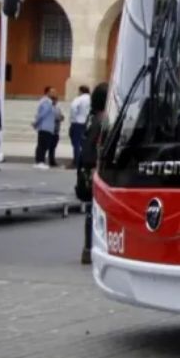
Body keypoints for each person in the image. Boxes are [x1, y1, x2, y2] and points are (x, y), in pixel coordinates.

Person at [78, 83, 108, 265]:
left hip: (87, 168)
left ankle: (88, 248)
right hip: (98, 168)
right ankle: (96, 248)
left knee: (90, 211)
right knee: (98, 211)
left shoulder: (92, 118)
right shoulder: (103, 120)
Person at [32, 86, 57, 169]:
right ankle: (40, 161)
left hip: (48, 127)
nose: (54, 93)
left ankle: (39, 161)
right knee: (43, 145)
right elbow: (43, 114)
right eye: (52, 92)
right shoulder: (47, 102)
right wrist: (36, 122)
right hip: (45, 126)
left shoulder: (50, 102)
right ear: (47, 92)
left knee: (43, 144)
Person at [69, 85, 90, 169]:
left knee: (76, 143)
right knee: (84, 143)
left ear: (80, 91)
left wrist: (74, 118)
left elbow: (73, 107)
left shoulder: (79, 99)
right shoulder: (90, 99)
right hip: (86, 122)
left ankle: (76, 162)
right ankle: (84, 161)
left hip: (78, 122)